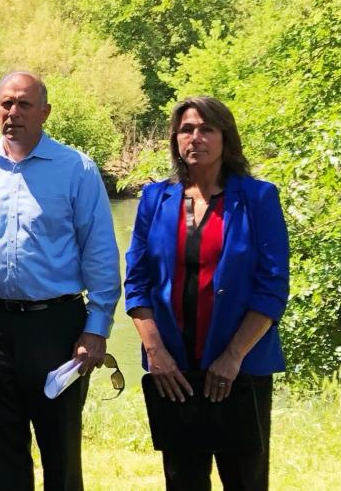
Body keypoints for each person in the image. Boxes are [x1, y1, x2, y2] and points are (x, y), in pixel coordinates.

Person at [0, 71, 121, 491]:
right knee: (3, 447)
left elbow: (99, 254)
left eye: (24, 104)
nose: (14, 113)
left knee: (60, 448)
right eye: (6, 103)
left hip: (57, 326)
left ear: (45, 112)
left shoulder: (76, 169)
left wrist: (97, 329)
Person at [125, 97, 289, 491]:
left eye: (206, 129)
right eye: (186, 129)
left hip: (240, 368)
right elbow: (137, 282)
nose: (195, 137)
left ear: (225, 138)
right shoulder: (154, 199)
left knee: (245, 480)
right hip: (174, 370)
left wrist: (233, 357)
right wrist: (156, 354)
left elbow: (272, 286)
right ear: (175, 139)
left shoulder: (258, 198)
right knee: (183, 481)